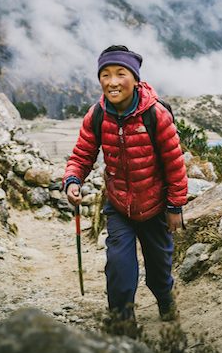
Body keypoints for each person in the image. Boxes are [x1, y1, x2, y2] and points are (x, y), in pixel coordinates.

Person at [63, 45, 188, 332]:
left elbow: (174, 164)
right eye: (105, 74)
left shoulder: (155, 115)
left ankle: (165, 297)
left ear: (135, 79)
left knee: (159, 269)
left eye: (120, 73)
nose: (112, 81)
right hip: (119, 205)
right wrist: (72, 180)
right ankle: (123, 325)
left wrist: (174, 206)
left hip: (155, 206)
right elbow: (82, 155)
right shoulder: (97, 115)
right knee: (119, 267)